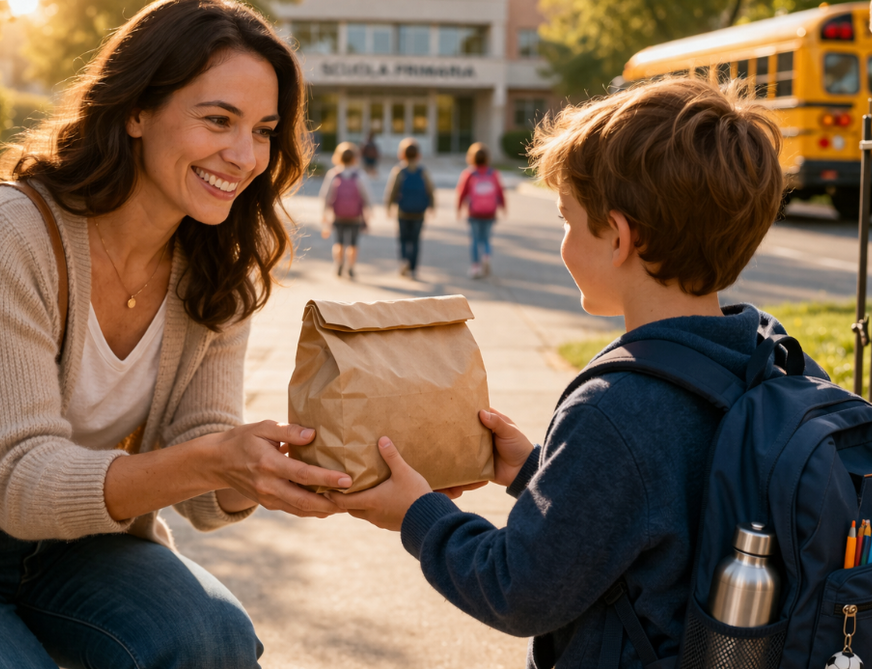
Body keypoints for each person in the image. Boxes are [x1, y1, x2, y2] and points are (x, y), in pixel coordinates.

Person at [0, 0, 355, 669]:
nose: (244, 154)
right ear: (138, 110)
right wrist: (217, 458)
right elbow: (18, 483)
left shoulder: (217, 261)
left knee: (218, 638)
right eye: (218, 120)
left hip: (80, 543)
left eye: (263, 129)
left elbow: (201, 469)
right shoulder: (5, 233)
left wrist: (271, 470)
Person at [329, 78, 787, 668]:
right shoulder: (760, 355)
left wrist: (418, 514)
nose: (563, 243)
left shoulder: (617, 408)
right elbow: (660, 513)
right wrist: (537, 472)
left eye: (568, 221)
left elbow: (517, 588)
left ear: (619, 238)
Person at [384, 138, 435, 279]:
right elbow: (430, 189)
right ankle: (413, 268)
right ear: (418, 155)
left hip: (403, 211)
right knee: (416, 240)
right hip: (419, 212)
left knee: (403, 239)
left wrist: (388, 206)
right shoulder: (423, 171)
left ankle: (404, 261)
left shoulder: (399, 171)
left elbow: (392, 190)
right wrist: (432, 205)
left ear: (402, 154)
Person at [319, 141, 371, 278]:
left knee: (339, 242)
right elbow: (366, 195)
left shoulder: (334, 174)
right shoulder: (359, 175)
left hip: (338, 215)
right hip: (355, 216)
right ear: (355, 157)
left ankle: (338, 263)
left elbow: (325, 195)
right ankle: (351, 266)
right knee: (353, 244)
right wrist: (369, 211)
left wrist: (324, 214)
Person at [455, 142, 506, 278]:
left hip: (474, 213)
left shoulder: (469, 174)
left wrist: (459, 209)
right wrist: (503, 206)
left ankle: (475, 267)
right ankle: (486, 256)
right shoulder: (493, 173)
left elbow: (462, 193)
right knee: (486, 239)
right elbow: (500, 191)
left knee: (475, 240)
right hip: (490, 213)